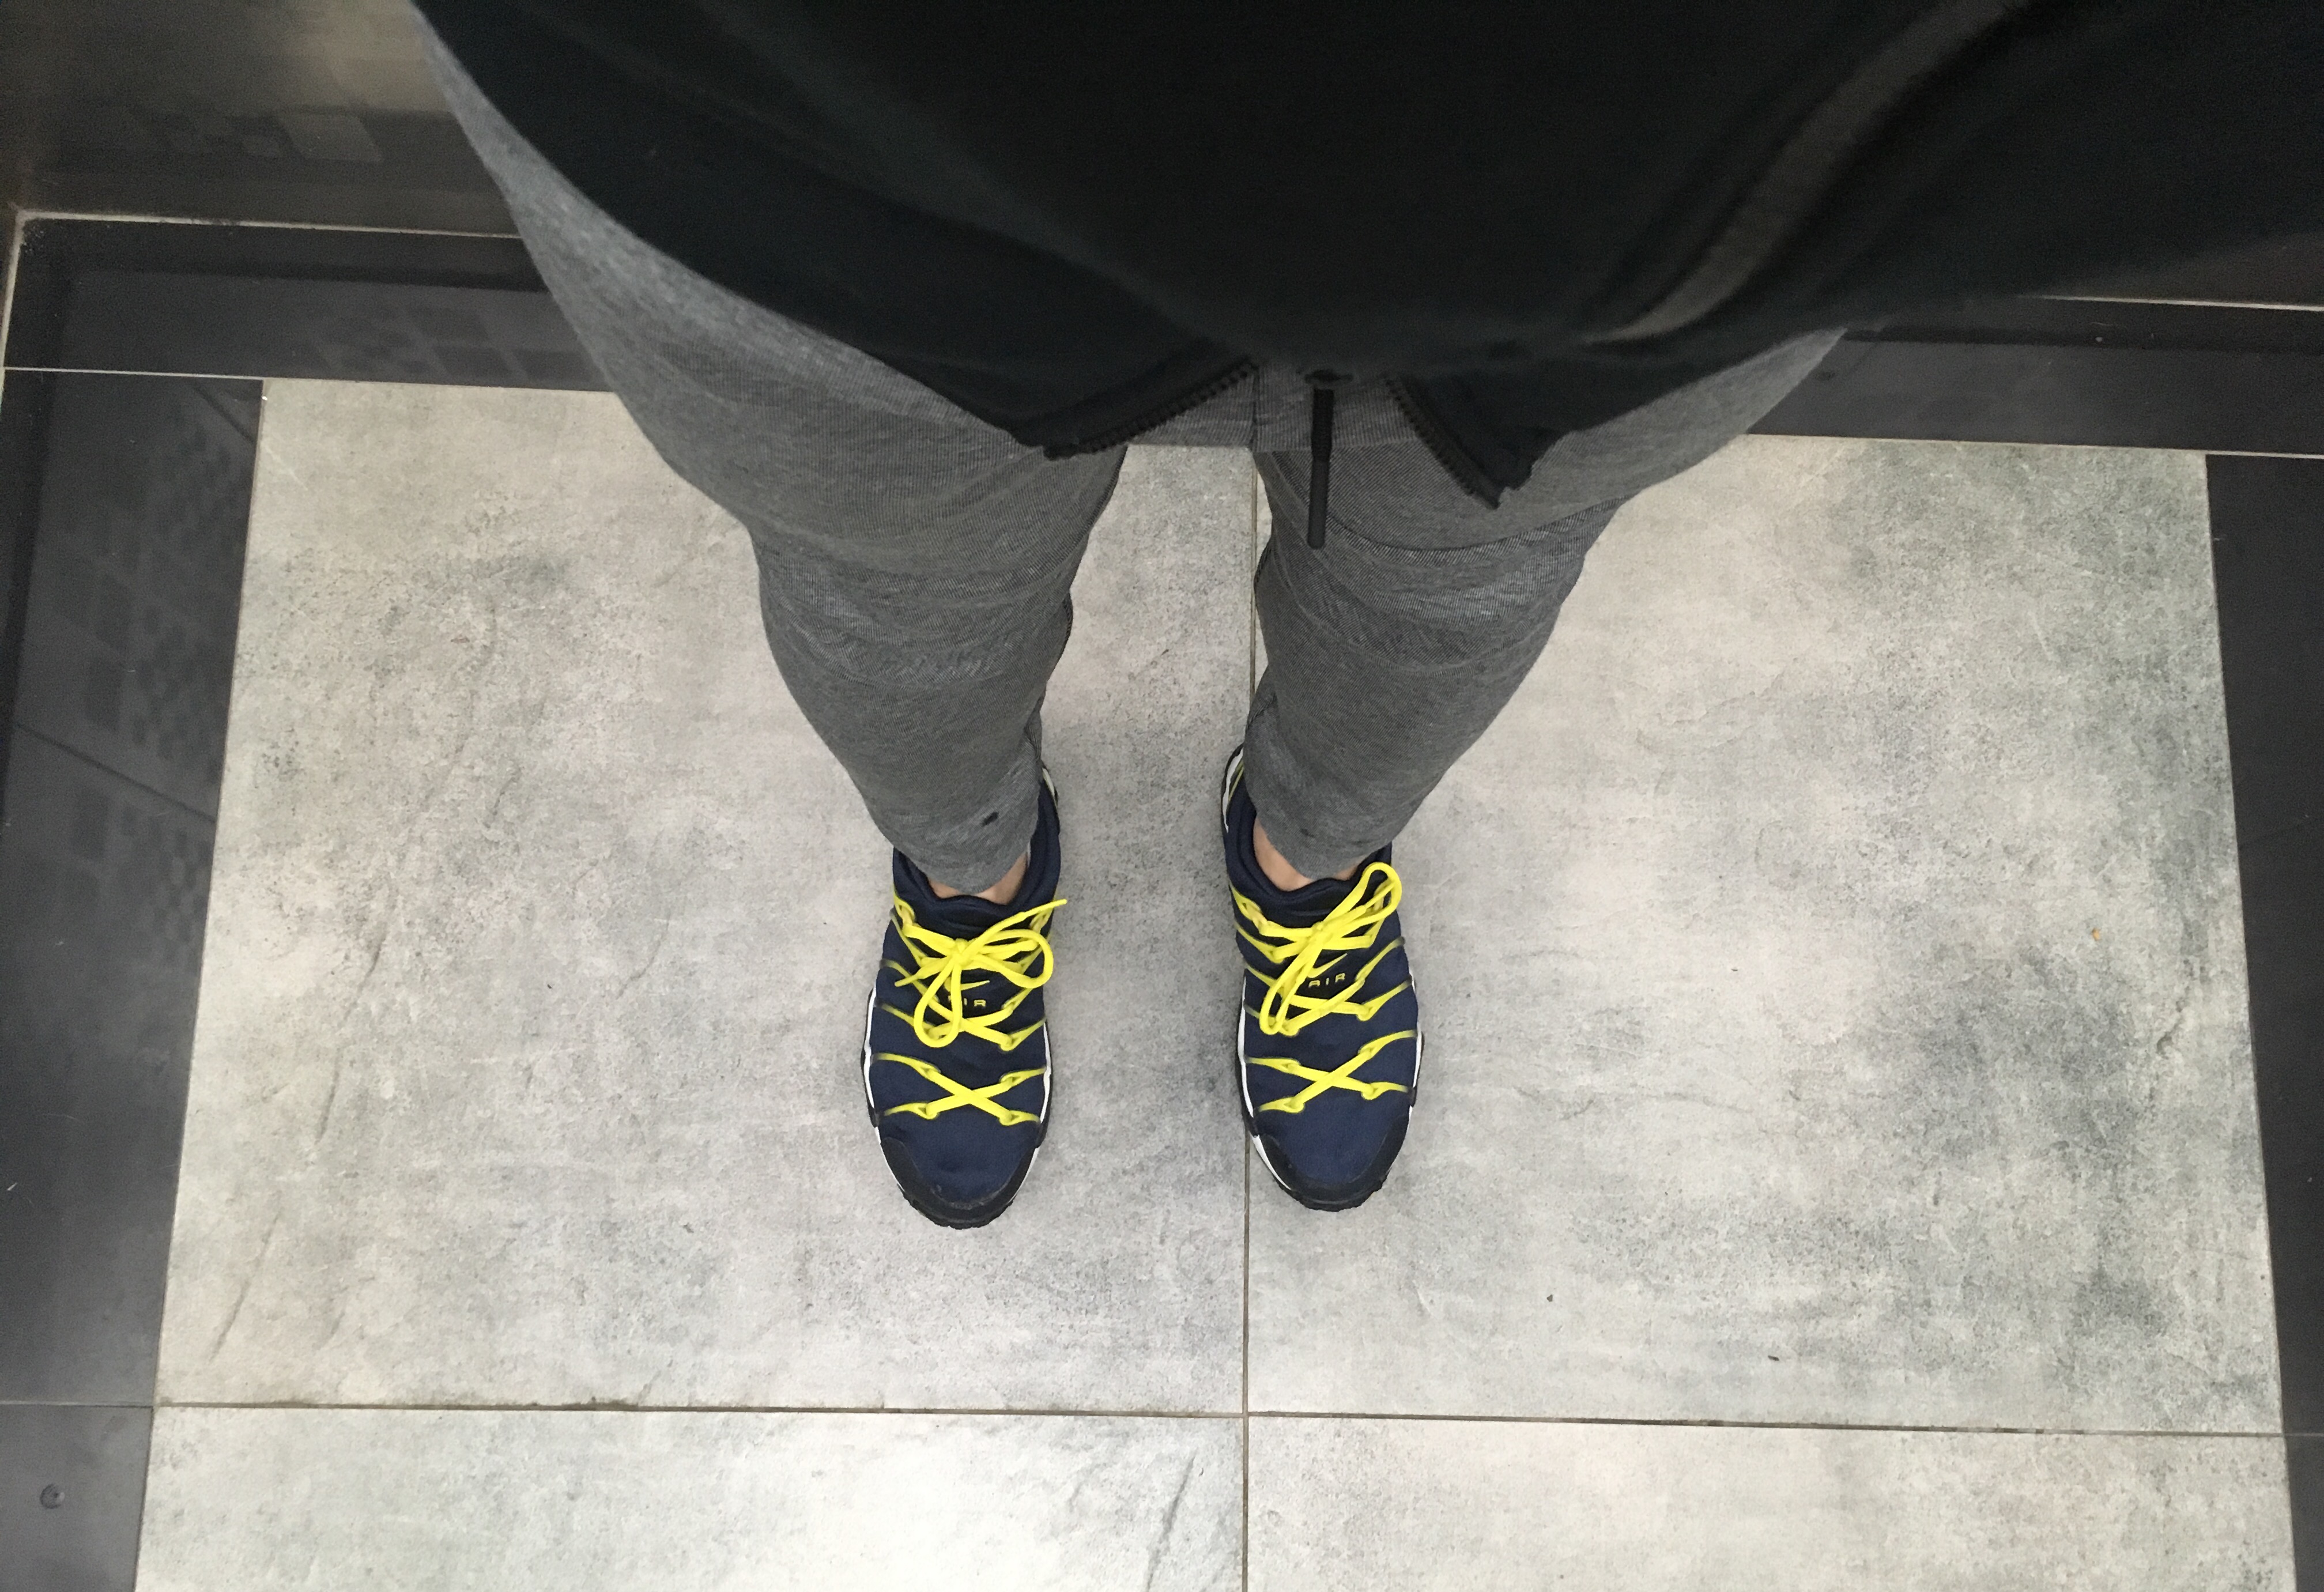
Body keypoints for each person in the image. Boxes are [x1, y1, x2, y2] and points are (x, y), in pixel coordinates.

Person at [413, 2, 2324, 1228]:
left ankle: (1306, 861)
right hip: (770, 146)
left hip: (1694, 203)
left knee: (1449, 601)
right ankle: (973, 875)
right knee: (896, 616)